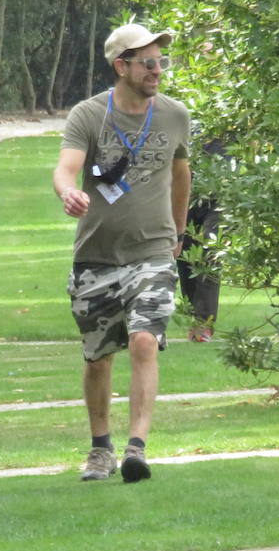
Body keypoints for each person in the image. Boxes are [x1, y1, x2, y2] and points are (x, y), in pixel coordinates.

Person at [53, 24, 190, 484]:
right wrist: (68, 193)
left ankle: (137, 447)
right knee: (98, 356)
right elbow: (66, 169)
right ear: (121, 66)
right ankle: (100, 448)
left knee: (144, 340)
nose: (157, 70)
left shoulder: (174, 115)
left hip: (152, 251)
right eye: (148, 62)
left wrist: (179, 232)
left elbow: (181, 174)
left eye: (160, 62)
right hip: (96, 256)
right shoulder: (89, 115)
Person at [178, 136, 224, 342]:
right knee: (185, 252)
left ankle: (204, 322)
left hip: (222, 195)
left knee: (209, 251)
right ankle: (193, 318)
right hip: (186, 190)